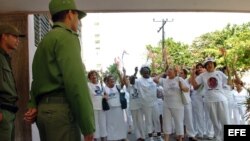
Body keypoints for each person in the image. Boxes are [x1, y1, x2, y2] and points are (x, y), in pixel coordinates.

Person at [23, 0, 95, 141]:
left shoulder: (45, 41)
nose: (78, 21)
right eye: (77, 16)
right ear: (69, 14)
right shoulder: (67, 37)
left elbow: (36, 81)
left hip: (44, 113)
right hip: (61, 114)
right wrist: (88, 126)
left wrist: (33, 104)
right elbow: (76, 83)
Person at [190, 57, 229, 141]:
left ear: (214, 65)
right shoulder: (202, 75)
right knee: (215, 122)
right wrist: (192, 74)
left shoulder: (219, 73)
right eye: (207, 64)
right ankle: (219, 138)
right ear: (205, 66)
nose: (209, 65)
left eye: (211, 63)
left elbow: (228, 82)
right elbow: (195, 87)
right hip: (209, 101)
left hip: (221, 99)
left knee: (225, 120)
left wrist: (230, 72)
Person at [0, 24, 25, 141]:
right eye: (14, 36)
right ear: (4, 36)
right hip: (3, 113)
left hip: (9, 113)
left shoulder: (5, 58)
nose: (18, 41)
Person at [87, 70, 107, 141]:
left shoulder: (100, 85)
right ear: (89, 78)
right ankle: (95, 138)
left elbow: (105, 93)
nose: (94, 76)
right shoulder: (88, 85)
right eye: (92, 75)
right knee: (95, 124)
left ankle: (103, 138)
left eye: (95, 75)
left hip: (101, 107)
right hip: (93, 107)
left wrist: (105, 97)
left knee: (103, 123)